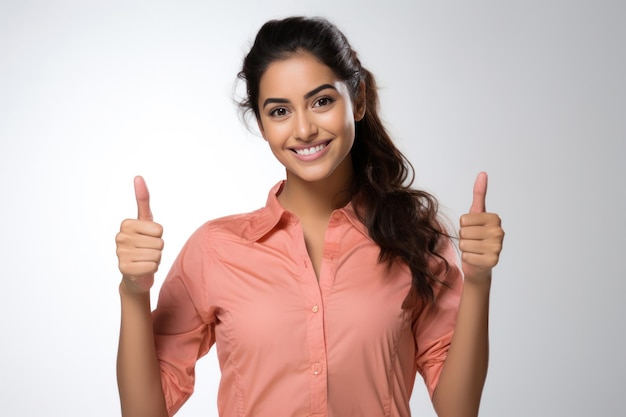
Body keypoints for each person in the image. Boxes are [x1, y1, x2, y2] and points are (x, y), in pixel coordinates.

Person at [115, 16, 504, 417]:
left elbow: (458, 410)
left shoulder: (415, 239)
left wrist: (478, 280)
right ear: (263, 126)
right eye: (280, 111)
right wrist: (133, 291)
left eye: (321, 101)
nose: (303, 129)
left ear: (359, 100)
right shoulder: (215, 250)